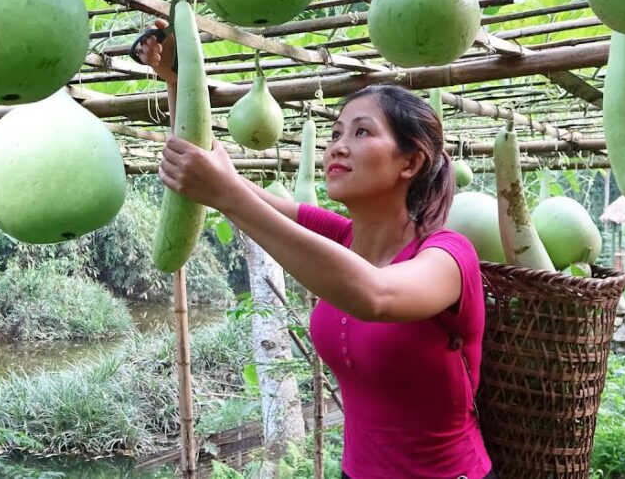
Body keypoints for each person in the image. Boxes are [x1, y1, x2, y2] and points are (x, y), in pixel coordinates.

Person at [136, 25, 494, 479]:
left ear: (411, 162)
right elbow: (214, 169)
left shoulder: (447, 255)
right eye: (336, 133)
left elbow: (376, 295)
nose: (338, 146)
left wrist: (227, 195)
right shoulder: (339, 236)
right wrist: (177, 75)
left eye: (362, 132)